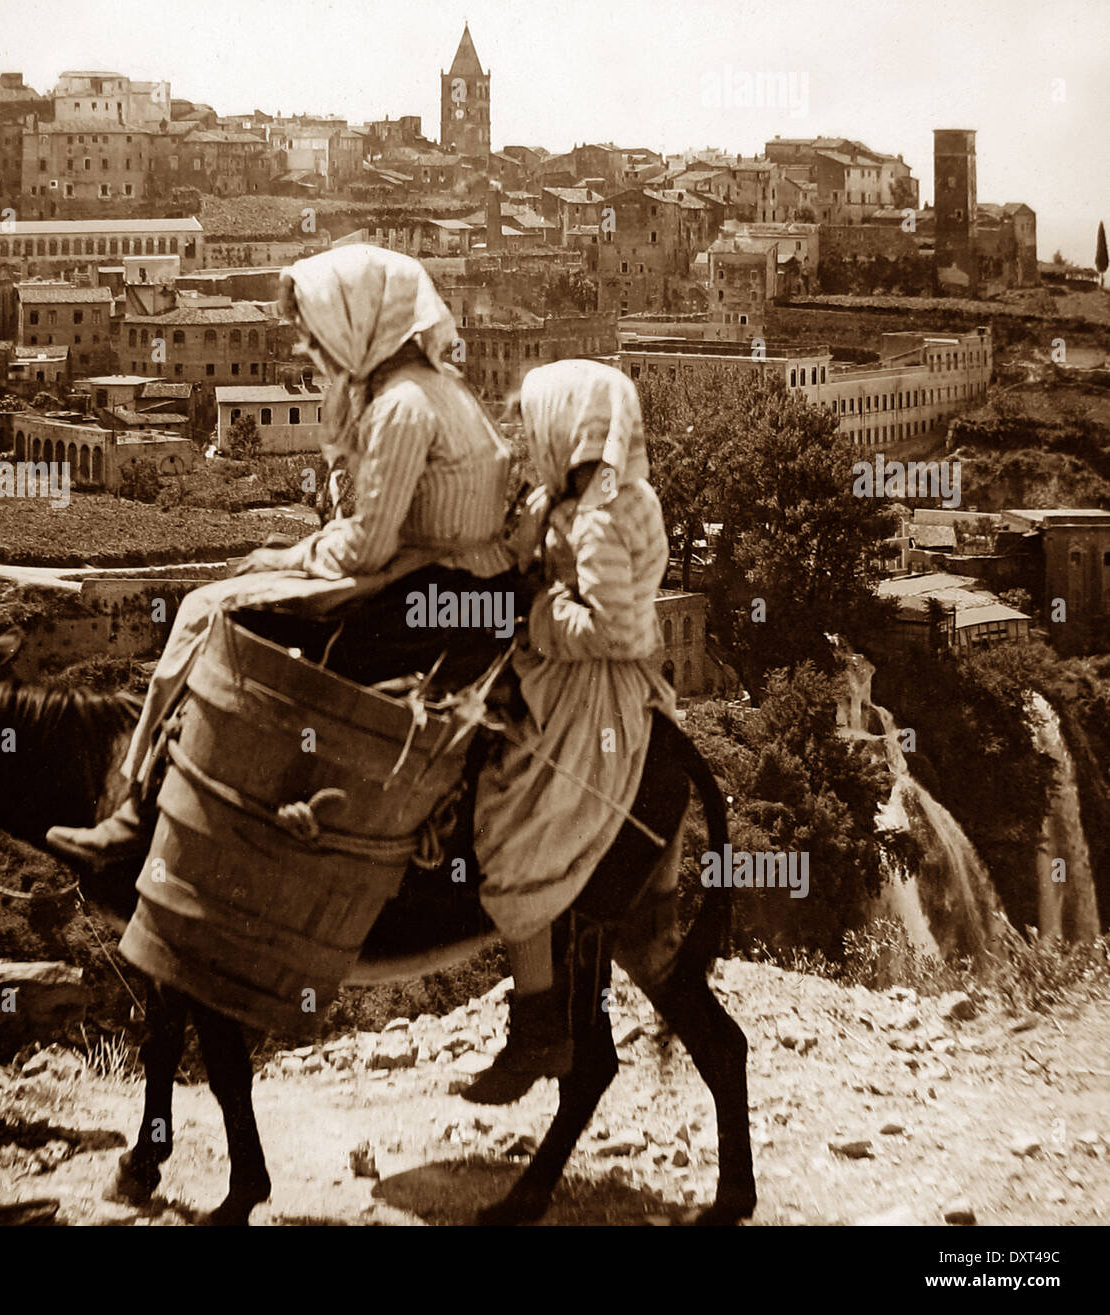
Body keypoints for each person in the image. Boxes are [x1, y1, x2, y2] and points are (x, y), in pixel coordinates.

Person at [47, 245, 514, 867]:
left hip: (420, 589)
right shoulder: (446, 388)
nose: (306, 349)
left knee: (208, 609)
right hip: (469, 585)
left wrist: (288, 557)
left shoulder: (402, 406)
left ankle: (139, 807)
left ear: (359, 324)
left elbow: (370, 545)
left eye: (316, 331)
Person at [462, 360, 676, 1105]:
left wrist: (539, 614)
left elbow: (617, 629)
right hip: (582, 674)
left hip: (590, 694)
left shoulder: (600, 519)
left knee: (510, 818)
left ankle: (536, 1026)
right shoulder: (588, 501)